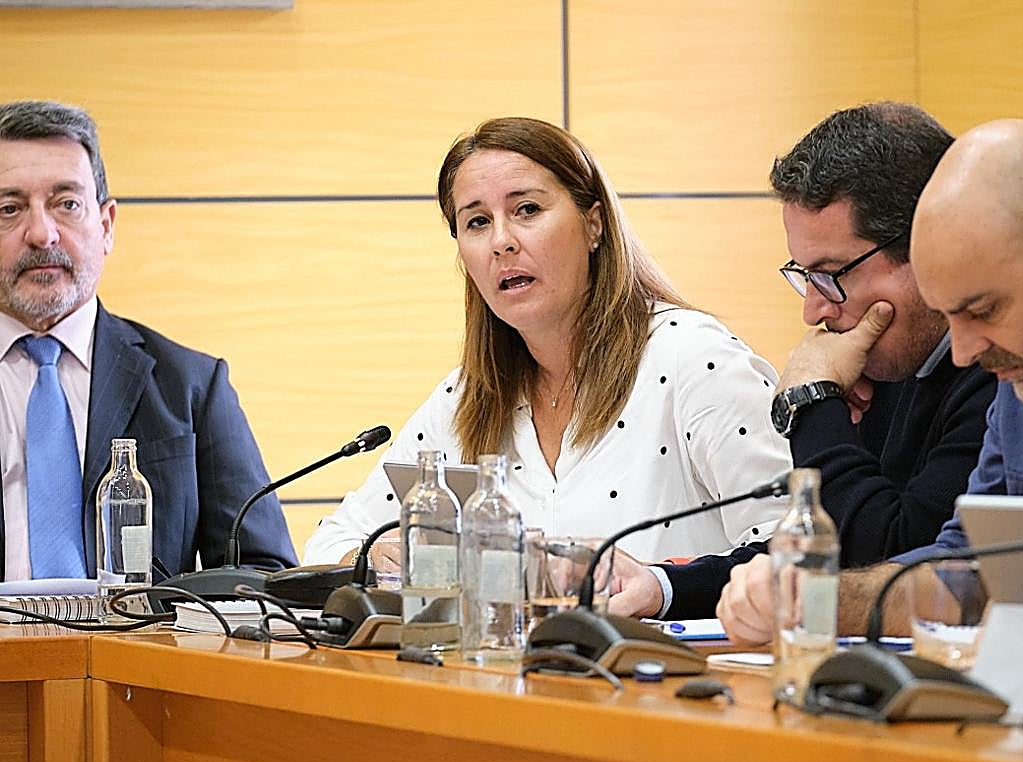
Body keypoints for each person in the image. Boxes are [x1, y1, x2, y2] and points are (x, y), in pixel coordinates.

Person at [717, 118, 1023, 644]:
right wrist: (809, 599)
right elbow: (964, 574)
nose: (966, 352)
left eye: (983, 310)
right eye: (951, 316)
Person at [304, 117, 792, 566]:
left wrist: (665, 589)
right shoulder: (464, 399)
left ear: (593, 224)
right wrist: (370, 559)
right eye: (477, 222)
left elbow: (791, 549)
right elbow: (330, 542)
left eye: (527, 210)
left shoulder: (694, 360)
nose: (501, 241)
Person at [608, 103, 995, 620]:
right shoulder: (883, 361)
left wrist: (811, 401)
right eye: (805, 276)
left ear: (927, 245)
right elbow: (816, 556)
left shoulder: (999, 372)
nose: (814, 310)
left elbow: (889, 564)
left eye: (831, 274)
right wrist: (663, 588)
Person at [0, 99, 296, 581]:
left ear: (106, 226)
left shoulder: (191, 385)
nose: (42, 233)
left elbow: (261, 572)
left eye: (67, 204)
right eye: (9, 209)